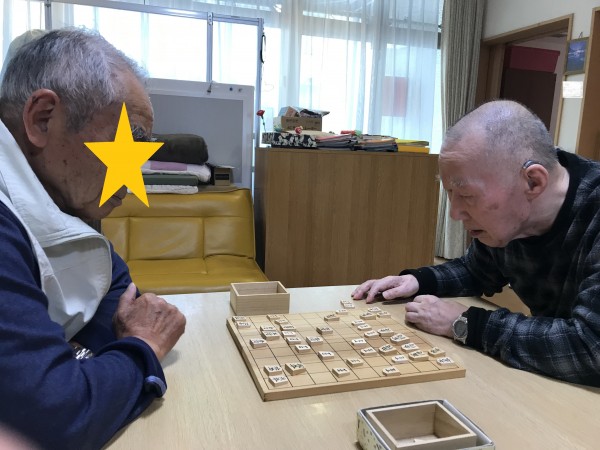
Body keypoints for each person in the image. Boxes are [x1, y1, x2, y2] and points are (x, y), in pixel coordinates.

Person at [0, 28, 186, 449]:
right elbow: (54, 420)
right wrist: (141, 347)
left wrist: (74, 365)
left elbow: (118, 298)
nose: (133, 175)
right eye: (128, 141)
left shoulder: (61, 198)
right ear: (43, 118)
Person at [352, 99, 600, 387]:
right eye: (450, 193)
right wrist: (418, 281)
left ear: (533, 182)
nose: (455, 213)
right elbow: (476, 270)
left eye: (467, 195)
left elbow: (590, 348)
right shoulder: (510, 218)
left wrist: (467, 323)